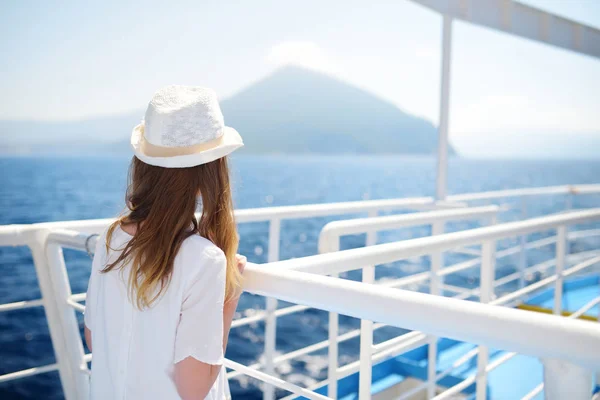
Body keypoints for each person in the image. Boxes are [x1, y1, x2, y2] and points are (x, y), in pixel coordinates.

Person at [84, 85, 246, 400]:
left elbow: (94, 338)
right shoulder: (204, 260)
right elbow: (193, 388)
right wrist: (229, 298)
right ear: (209, 174)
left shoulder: (112, 238)